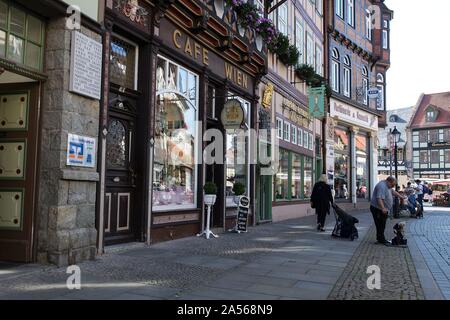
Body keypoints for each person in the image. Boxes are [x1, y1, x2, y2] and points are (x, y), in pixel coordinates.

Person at [370, 176, 405, 245]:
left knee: (382, 224)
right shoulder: (382, 186)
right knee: (380, 224)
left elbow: (393, 192)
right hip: (377, 209)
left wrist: (400, 196)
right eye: (392, 185)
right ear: (389, 181)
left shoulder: (388, 186)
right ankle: (381, 239)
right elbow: (379, 198)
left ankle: (380, 238)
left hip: (382, 209)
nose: (393, 186)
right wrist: (383, 208)